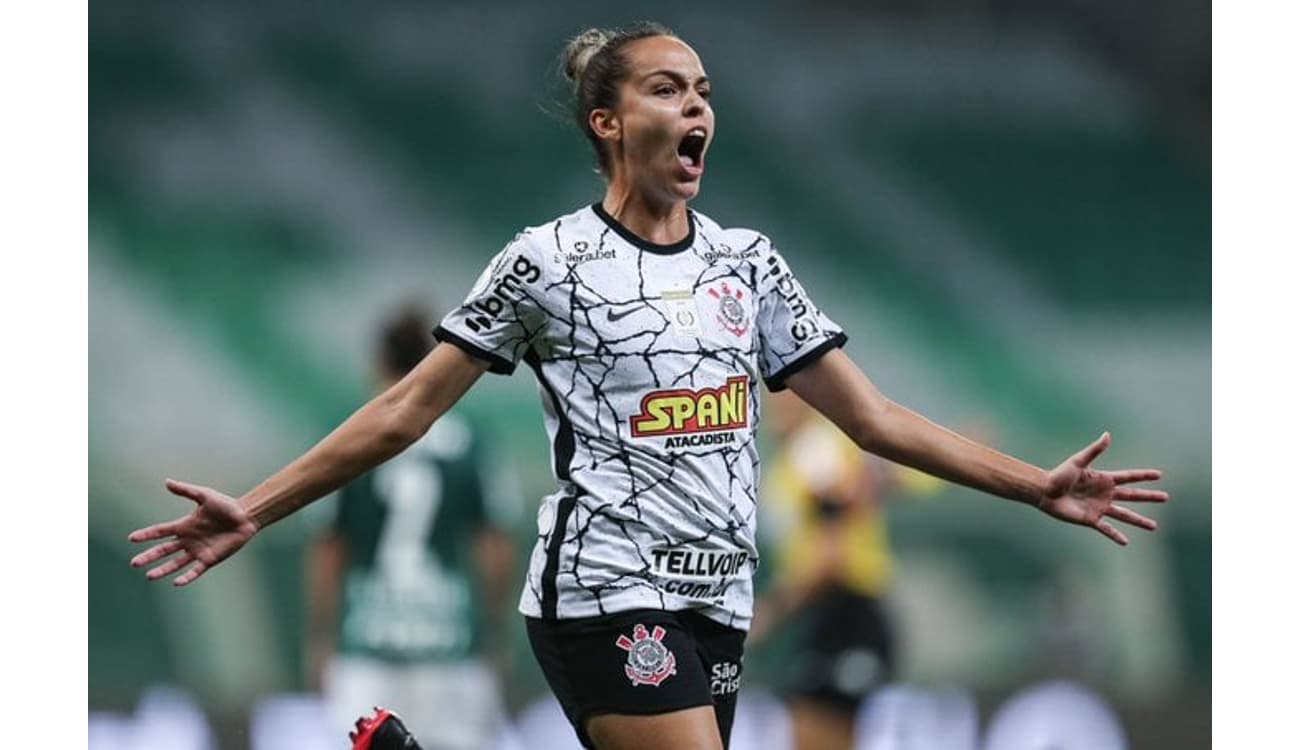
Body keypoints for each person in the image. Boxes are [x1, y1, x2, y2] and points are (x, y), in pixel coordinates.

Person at [128, 22, 1169, 750]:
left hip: (716, 599)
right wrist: (255, 510)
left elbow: (876, 418)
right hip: (601, 589)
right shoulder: (545, 264)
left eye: (705, 90)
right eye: (668, 89)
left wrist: (1033, 484)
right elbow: (408, 406)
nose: (696, 105)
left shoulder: (748, 265)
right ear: (607, 123)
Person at [305, 306, 515, 749]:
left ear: (379, 361)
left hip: (367, 641)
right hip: (451, 643)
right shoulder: (473, 439)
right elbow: (494, 546)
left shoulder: (345, 436)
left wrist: (321, 637)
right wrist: (492, 631)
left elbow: (329, 546)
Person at [746, 390, 923, 750]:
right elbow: (882, 483)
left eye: (790, 395)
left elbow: (832, 555)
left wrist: (772, 611)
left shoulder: (815, 452)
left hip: (848, 610)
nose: (779, 405)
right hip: (828, 614)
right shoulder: (799, 458)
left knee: (816, 734)